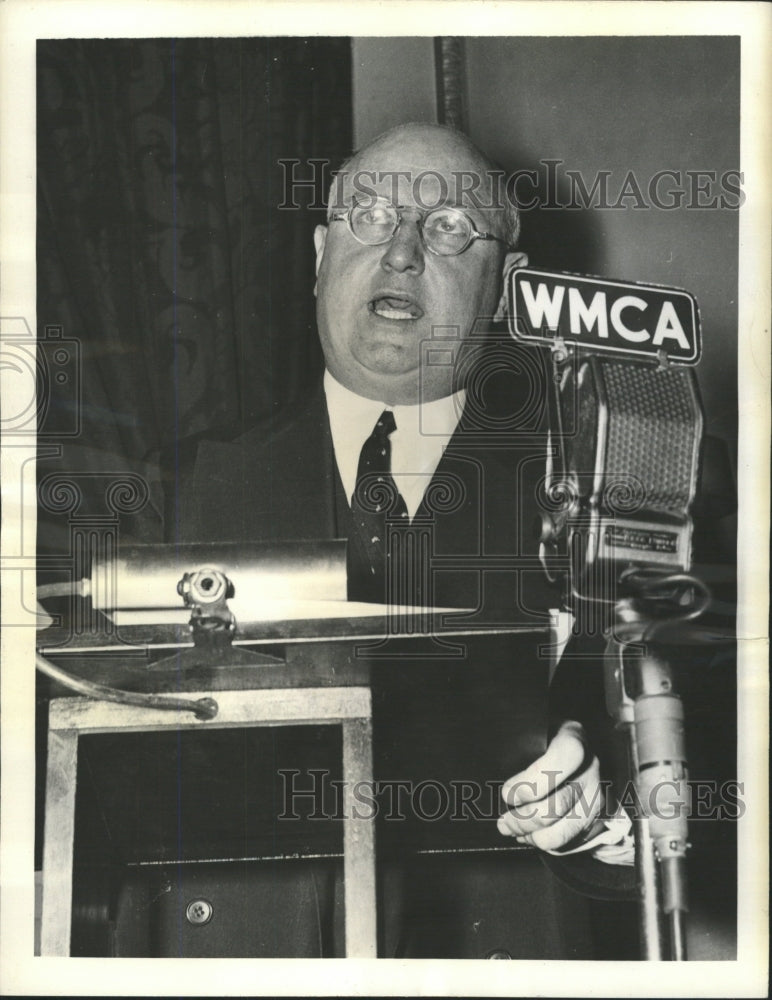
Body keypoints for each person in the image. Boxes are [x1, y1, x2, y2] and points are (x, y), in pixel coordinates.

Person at [179, 121, 633, 958]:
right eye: (370, 216)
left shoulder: (595, 493)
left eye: (451, 227)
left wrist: (599, 814)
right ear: (320, 253)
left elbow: (690, 773)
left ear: (508, 287)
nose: (401, 253)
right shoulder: (180, 487)